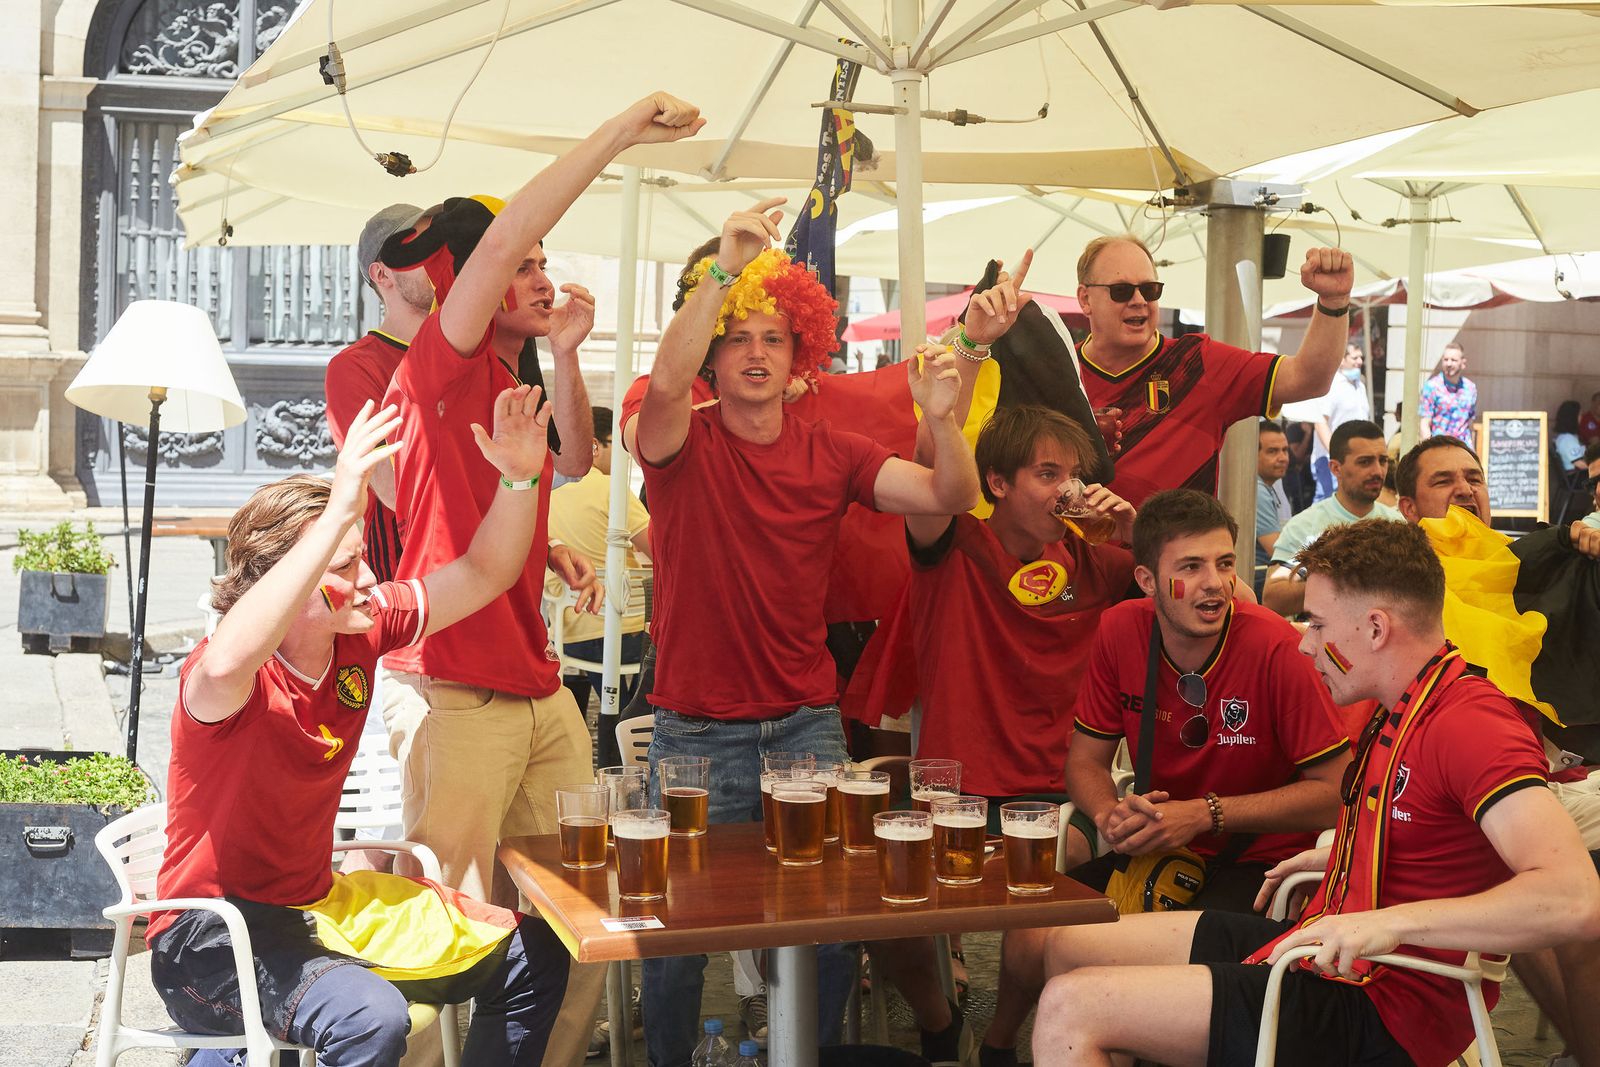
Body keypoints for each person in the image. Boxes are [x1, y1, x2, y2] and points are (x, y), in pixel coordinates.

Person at [377, 94, 703, 1067]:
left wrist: (567, 353)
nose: (539, 270)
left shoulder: (514, 368)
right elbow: (511, 223)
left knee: (582, 911)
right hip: (452, 687)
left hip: (535, 684)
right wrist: (617, 132)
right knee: (442, 930)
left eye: (539, 262)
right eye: (520, 264)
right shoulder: (441, 361)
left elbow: (572, 464)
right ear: (461, 279)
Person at [1028, 517, 1600, 1067]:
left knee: (1068, 1009)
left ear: (1375, 629)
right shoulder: (1405, 702)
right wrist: (1345, 851)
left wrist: (1387, 924)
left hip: (1380, 998)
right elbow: (1440, 836)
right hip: (1335, 951)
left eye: (1319, 624)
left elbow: (1574, 898)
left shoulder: (1470, 723)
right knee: (1068, 944)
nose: (1306, 645)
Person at [633, 197, 980, 1067]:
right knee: (675, 938)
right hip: (693, 726)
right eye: (739, 336)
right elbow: (664, 384)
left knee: (830, 926)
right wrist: (722, 265)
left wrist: (943, 418)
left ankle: (804, 1057)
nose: (755, 351)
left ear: (802, 355)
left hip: (805, 722)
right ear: (715, 353)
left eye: (775, 337)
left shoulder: (836, 449)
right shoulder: (681, 436)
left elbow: (949, 497)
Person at [149, 393, 571, 1066]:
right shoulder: (227, 671)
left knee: (536, 950)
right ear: (287, 576)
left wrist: (520, 479)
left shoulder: (363, 626)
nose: (371, 576)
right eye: (344, 565)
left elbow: (484, 572)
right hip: (210, 937)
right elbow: (226, 660)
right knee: (372, 1018)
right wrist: (341, 506)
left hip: (320, 908)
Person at [979, 489, 1349, 1067]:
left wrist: (1205, 813)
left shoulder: (1278, 646)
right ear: (1148, 581)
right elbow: (1084, 763)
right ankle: (993, 1050)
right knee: (1032, 928)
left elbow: (1334, 794)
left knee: (1104, 967)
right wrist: (1108, 814)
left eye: (1226, 564)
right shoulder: (1120, 630)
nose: (1216, 584)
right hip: (1158, 851)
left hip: (1260, 869)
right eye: (1192, 567)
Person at [1394, 434, 1600, 1064]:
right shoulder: (1394, 580)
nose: (1465, 491)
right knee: (1561, 902)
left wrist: (1578, 538)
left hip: (1560, 776)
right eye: (1444, 481)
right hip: (1457, 791)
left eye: (1474, 478)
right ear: (1407, 507)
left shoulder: (1520, 562)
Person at [1069, 234, 1354, 505]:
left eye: (1149, 289)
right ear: (1085, 299)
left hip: (1177, 555)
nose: (1139, 300)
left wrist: (1334, 302)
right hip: (1071, 555)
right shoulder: (1061, 372)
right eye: (1121, 291)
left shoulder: (1197, 362)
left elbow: (1308, 379)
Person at [323, 203, 435, 584]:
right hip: (410, 575)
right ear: (382, 274)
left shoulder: (471, 347)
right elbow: (390, 488)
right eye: (418, 247)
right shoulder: (353, 367)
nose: (435, 256)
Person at [547, 406, 652, 735]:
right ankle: (625, 742)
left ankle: (576, 729)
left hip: (564, 634)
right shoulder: (611, 490)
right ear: (595, 445)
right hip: (616, 634)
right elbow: (663, 550)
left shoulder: (543, 493)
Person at [1263, 419, 1401, 617]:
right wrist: (1345, 583)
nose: (1378, 471)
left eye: (1382, 460)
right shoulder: (1306, 528)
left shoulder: (1398, 525)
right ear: (1336, 468)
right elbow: (1274, 598)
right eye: (1365, 462)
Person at [1309, 342, 1371, 502]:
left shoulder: (1360, 386)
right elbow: (1320, 422)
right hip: (1330, 459)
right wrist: (1335, 452)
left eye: (1361, 357)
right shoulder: (1331, 385)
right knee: (1326, 503)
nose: (1360, 362)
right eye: (1354, 357)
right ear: (1342, 360)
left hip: (1354, 458)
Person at [1254, 420, 1292, 595]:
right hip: (1258, 581)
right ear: (1253, 454)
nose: (1282, 457)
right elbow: (1278, 550)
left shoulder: (1267, 487)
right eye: (1272, 451)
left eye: (1285, 450)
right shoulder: (1257, 490)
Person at [1418, 341, 1477, 443]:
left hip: (1463, 449)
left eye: (1453, 360)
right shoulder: (1431, 387)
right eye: (1446, 360)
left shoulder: (1470, 388)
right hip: (1440, 447)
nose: (1449, 364)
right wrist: (1429, 449)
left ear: (1463, 363)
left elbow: (1470, 423)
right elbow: (1424, 423)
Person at [1556, 399, 1588, 471]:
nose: (1581, 417)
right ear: (1572, 417)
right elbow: (1580, 463)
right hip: (1577, 476)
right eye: (1580, 415)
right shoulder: (1568, 440)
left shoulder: (1564, 437)